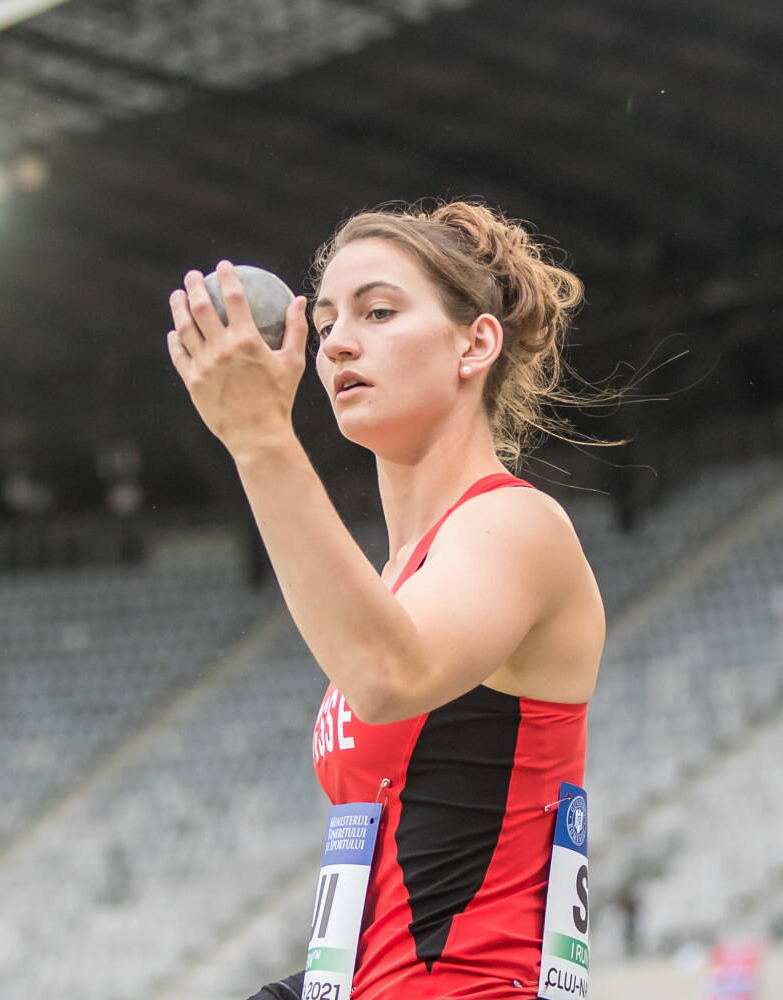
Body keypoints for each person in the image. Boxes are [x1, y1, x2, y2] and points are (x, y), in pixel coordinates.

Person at [165, 199, 608, 999]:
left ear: (475, 344)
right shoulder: (399, 576)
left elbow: (388, 676)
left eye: (378, 310)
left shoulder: (515, 524)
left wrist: (261, 440)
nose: (337, 340)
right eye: (327, 319)